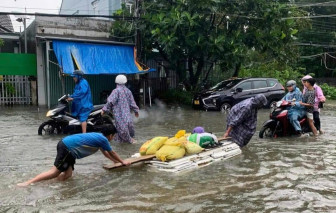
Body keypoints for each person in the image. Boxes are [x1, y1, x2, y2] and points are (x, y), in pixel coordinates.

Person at [17, 124, 130, 186]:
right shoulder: (103, 139)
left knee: (68, 175)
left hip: (68, 148)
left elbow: (106, 154)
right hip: (67, 148)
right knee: (55, 172)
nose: (113, 138)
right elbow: (112, 152)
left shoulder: (99, 138)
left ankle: (48, 185)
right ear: (110, 135)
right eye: (113, 136)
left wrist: (115, 162)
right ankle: (28, 183)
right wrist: (122, 162)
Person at [102, 74, 139, 144]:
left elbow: (110, 101)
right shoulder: (128, 91)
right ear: (125, 81)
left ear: (116, 82)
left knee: (121, 129)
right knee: (129, 128)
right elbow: (132, 103)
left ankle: (129, 141)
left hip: (119, 115)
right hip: (128, 115)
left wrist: (104, 109)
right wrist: (136, 111)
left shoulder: (116, 91)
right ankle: (129, 141)